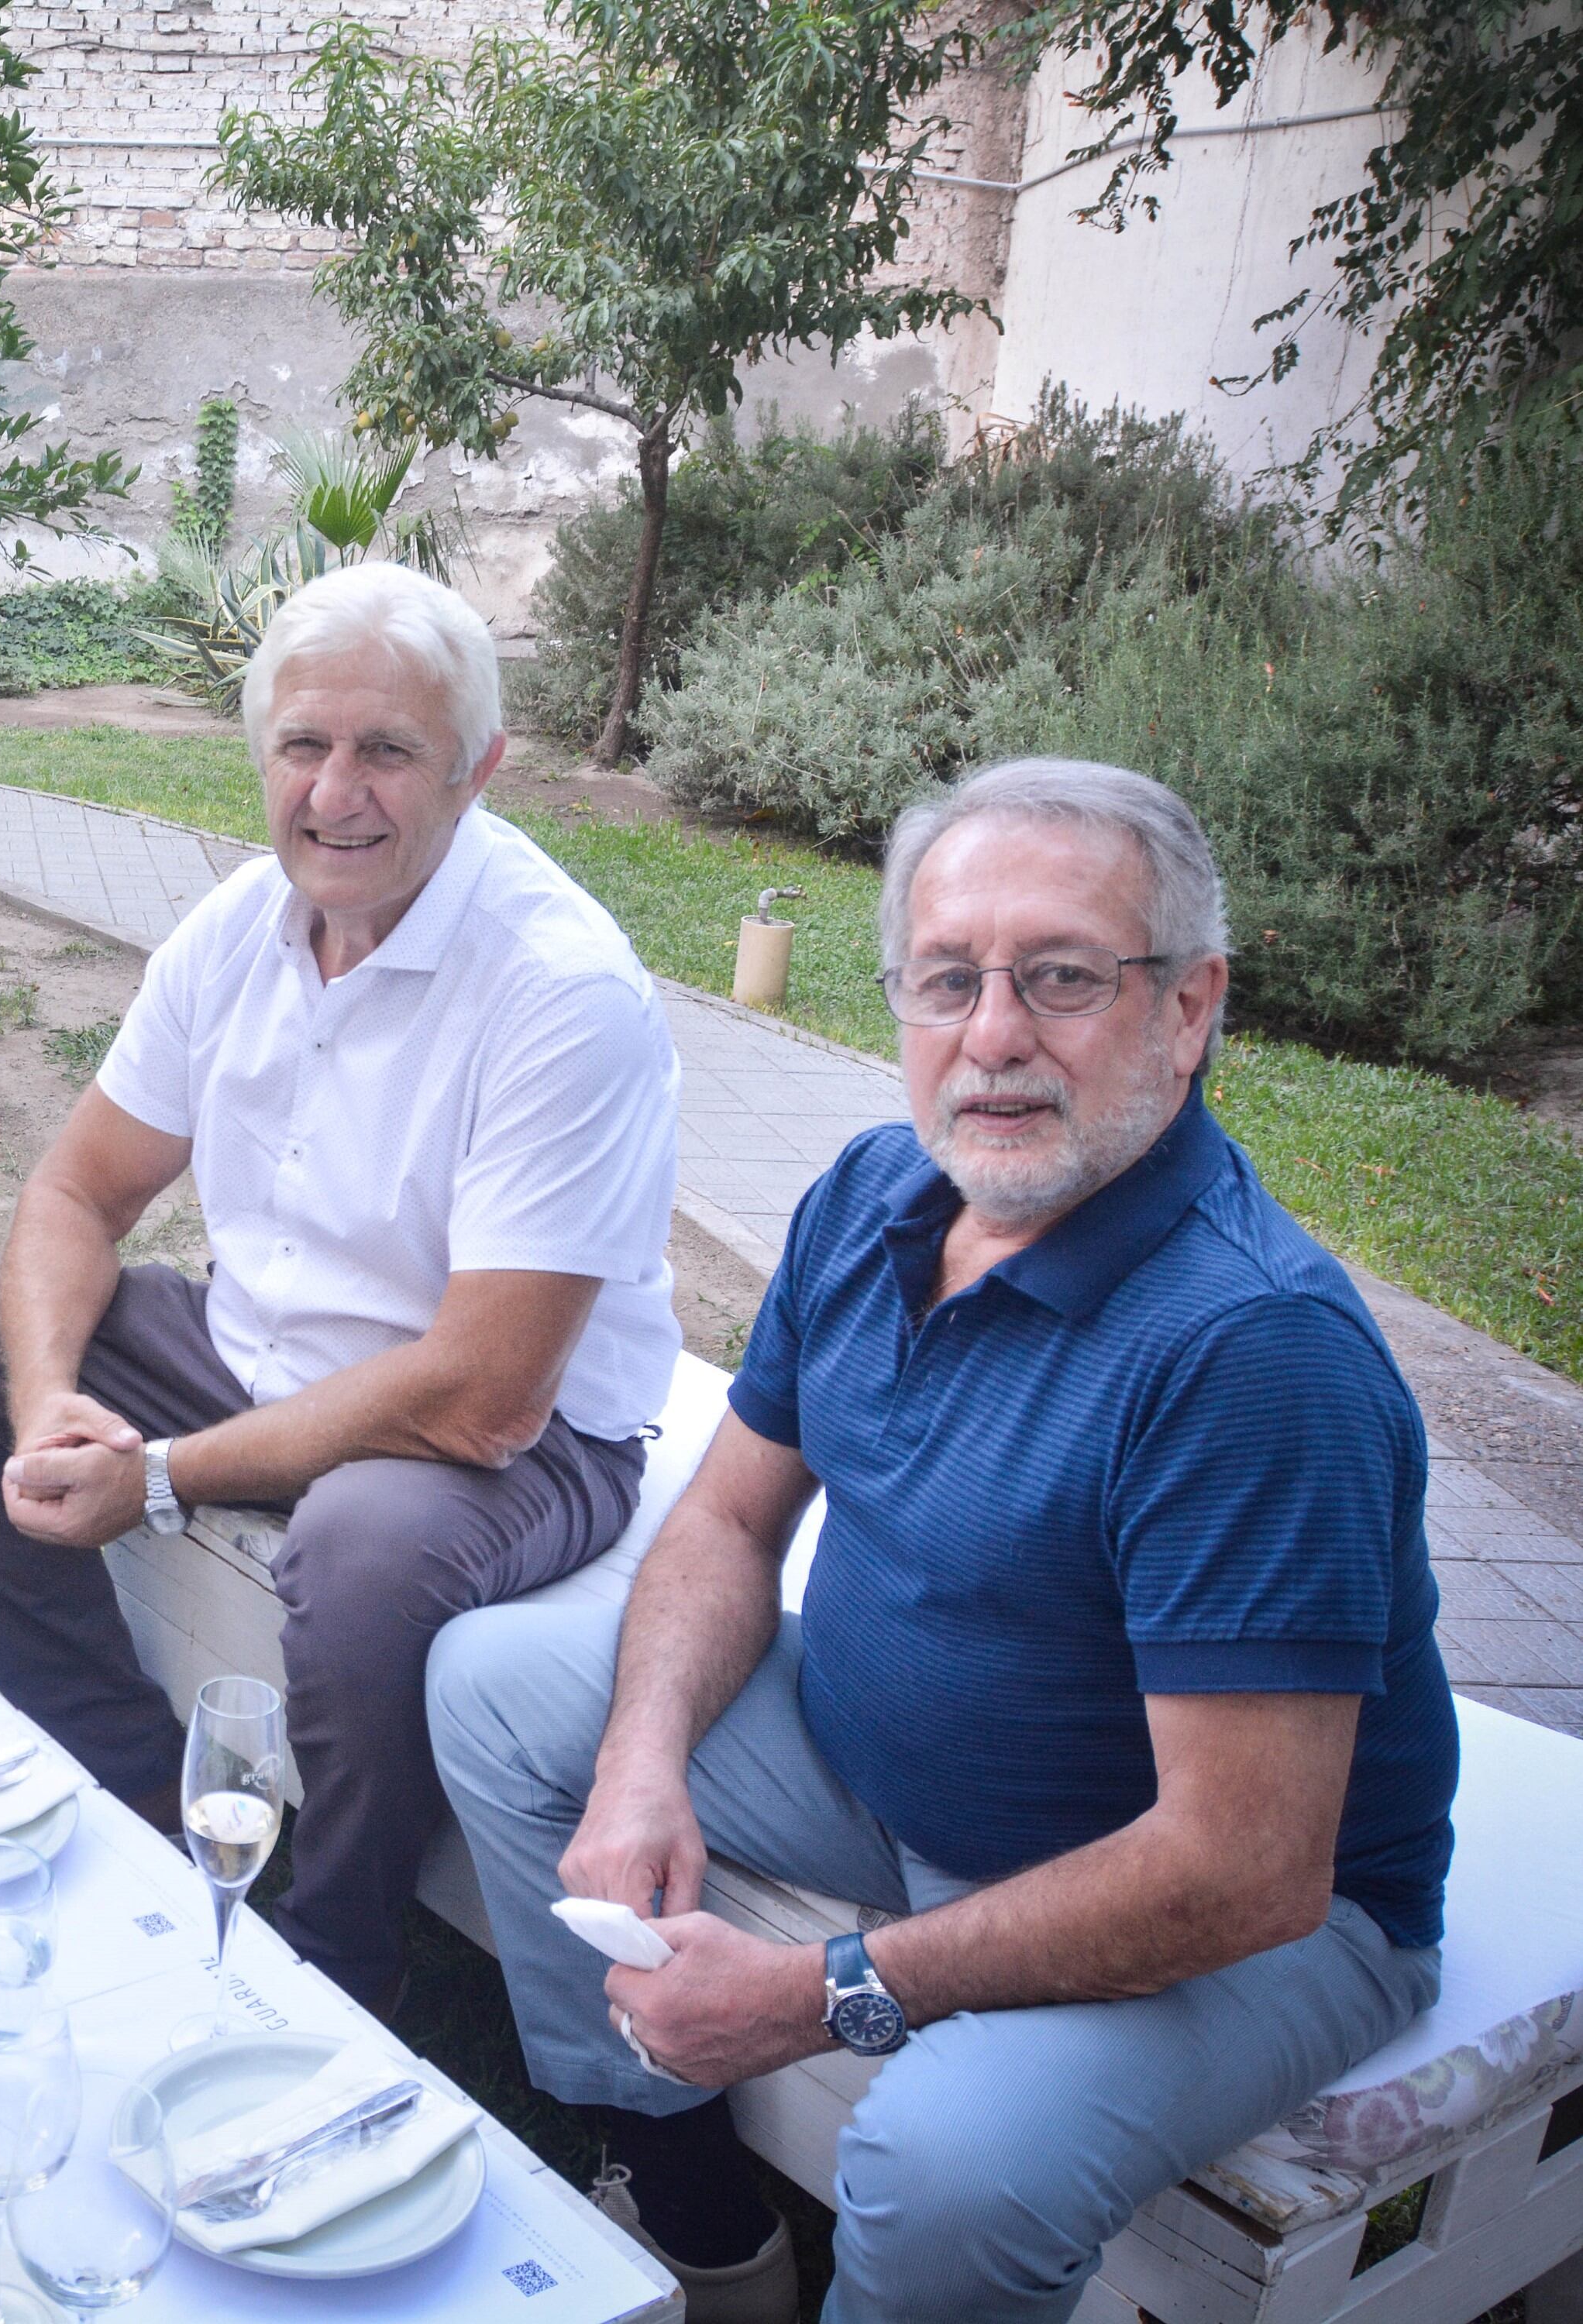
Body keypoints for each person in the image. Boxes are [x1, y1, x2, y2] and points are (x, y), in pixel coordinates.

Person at [428, 758, 1455, 2324]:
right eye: (947, 979)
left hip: (1247, 1909)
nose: (991, 1039)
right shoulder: (875, 1192)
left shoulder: (1252, 1353)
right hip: (871, 1759)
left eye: (1061, 979)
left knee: (948, 2162)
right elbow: (724, 1517)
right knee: (497, 1687)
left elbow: (1241, 1870)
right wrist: (642, 1763)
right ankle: (685, 2186)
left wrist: (819, 1994)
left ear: (1189, 1009)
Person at [0, 561, 682, 2011]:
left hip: (514, 1435)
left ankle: (339, 1964)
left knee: (360, 1551)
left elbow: (484, 1395)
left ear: (479, 768)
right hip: (260, 1360)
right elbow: (73, 1195)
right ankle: (131, 1807)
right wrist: (51, 1409)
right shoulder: (240, 927)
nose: (334, 792)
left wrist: (156, 1472)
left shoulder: (560, 990)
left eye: (387, 751)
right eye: (304, 746)